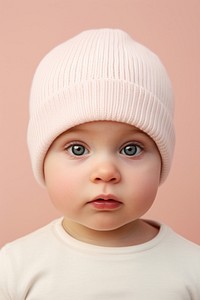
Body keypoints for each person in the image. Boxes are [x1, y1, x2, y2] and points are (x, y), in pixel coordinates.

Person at [0, 28, 199, 299]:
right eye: (78, 148)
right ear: (42, 160)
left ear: (163, 159)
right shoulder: (14, 267)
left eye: (131, 149)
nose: (105, 172)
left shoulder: (191, 268)